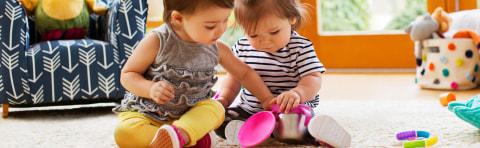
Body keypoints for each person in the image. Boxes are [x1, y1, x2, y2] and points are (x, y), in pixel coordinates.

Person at [112, 0, 275, 147]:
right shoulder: (157, 41)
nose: (221, 30)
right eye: (211, 26)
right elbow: (128, 74)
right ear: (178, 19)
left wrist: (266, 98)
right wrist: (150, 88)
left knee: (216, 109)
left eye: (225, 20)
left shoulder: (217, 48)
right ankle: (189, 139)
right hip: (148, 113)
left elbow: (244, 73)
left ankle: (181, 135)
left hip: (191, 115)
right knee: (124, 133)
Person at [214, 0, 351, 147]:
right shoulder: (241, 47)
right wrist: (224, 99)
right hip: (251, 112)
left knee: (295, 128)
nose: (265, 41)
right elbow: (234, 78)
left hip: (288, 112)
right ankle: (252, 132)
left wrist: (298, 93)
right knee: (223, 119)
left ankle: (318, 136)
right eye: (254, 35)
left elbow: (313, 78)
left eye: (274, 32)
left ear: (292, 18)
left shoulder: (300, 48)